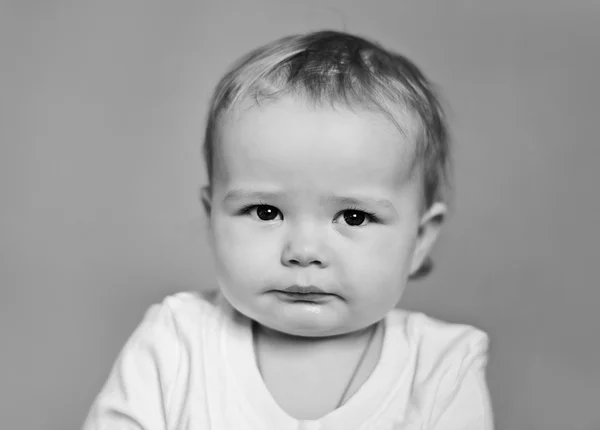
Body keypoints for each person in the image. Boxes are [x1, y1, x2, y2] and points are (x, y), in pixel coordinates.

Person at [83, 30, 493, 429]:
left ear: (420, 238)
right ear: (212, 217)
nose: (303, 250)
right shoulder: (177, 343)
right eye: (264, 211)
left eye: (353, 217)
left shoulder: (440, 368)